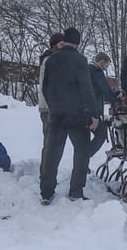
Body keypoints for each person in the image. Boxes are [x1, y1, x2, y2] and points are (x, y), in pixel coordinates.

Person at [40, 27, 99, 204]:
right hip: (77, 114)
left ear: (65, 40)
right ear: (78, 43)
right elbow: (86, 88)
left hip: (57, 114)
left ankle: (46, 192)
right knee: (81, 152)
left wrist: (54, 106)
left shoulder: (51, 60)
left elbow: (45, 87)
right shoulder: (80, 60)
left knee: (53, 152)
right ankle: (76, 190)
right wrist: (94, 113)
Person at [38, 32, 64, 178]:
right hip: (49, 109)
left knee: (55, 143)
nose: (63, 47)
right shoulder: (50, 60)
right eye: (61, 45)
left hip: (55, 108)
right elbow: (49, 87)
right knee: (50, 143)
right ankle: (45, 175)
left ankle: (48, 174)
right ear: (54, 46)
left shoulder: (56, 59)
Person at [88, 52, 119, 158]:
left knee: (82, 141)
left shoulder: (87, 70)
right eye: (106, 66)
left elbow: (98, 91)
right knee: (101, 135)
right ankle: (84, 158)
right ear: (102, 62)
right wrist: (116, 100)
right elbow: (105, 89)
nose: (105, 69)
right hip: (92, 112)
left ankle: (81, 164)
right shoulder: (96, 71)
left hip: (82, 110)